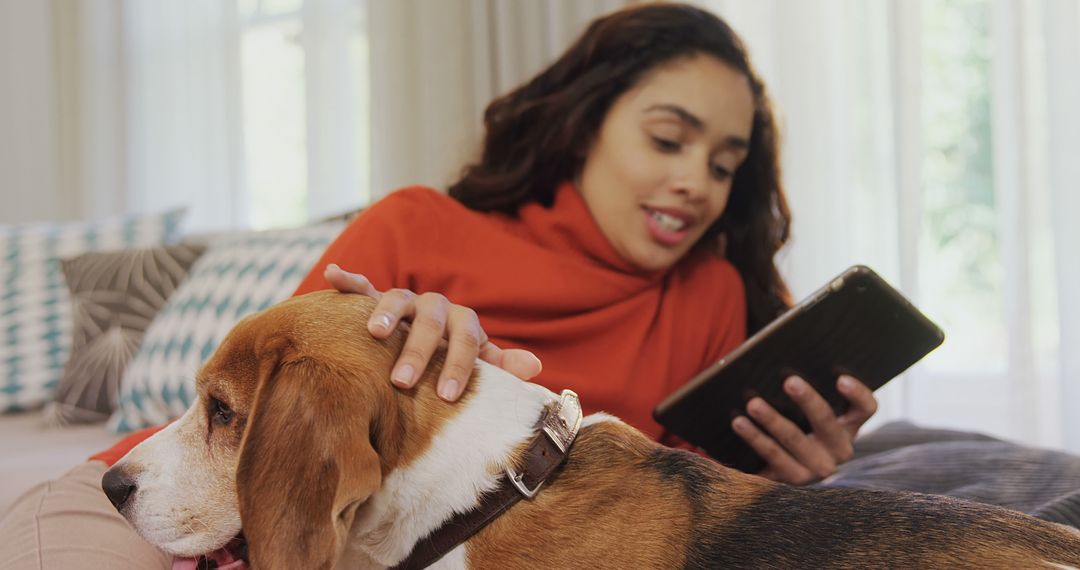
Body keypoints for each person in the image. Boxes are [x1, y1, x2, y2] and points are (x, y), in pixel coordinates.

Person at [3, 3, 1075, 568]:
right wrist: (384, 337)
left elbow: (693, 513)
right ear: (584, 117)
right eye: (670, 137)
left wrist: (803, 469)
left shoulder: (715, 296)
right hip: (282, 480)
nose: (696, 181)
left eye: (726, 161)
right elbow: (265, 412)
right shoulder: (421, 226)